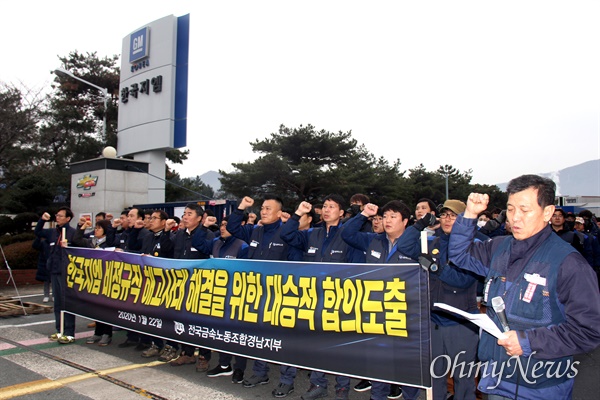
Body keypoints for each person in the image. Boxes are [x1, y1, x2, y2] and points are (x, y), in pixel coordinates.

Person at [448, 174, 600, 399]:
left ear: (547, 212)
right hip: (497, 378)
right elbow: (460, 255)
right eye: (510, 209)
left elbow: (588, 330)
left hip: (542, 385)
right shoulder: (498, 248)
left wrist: (528, 342)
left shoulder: (568, 263)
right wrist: (469, 215)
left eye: (525, 210)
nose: (515, 218)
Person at [395, 200, 484, 400]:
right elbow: (404, 245)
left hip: (461, 323)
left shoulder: (474, 246)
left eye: (453, 216)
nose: (447, 219)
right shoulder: (432, 241)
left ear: (464, 219)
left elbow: (463, 280)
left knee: (464, 379)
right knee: (435, 377)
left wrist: (435, 268)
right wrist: (419, 225)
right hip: (435, 322)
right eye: (444, 215)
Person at [280, 195, 363, 400]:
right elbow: (286, 234)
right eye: (324, 206)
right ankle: (318, 384)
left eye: (332, 207)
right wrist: (298, 213)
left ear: (341, 213)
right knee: (317, 344)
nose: (326, 210)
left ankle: (342, 388)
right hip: (313, 298)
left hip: (340, 300)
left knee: (340, 347)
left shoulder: (348, 236)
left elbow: (357, 270)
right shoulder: (311, 234)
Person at [225, 194, 302, 392]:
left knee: (283, 339)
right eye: (263, 208)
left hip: (280, 295)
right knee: (260, 336)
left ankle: (287, 380)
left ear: (279, 213)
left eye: (269, 209)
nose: (264, 211)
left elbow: (296, 263)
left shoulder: (287, 234)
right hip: (256, 294)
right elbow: (233, 227)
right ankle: (260, 373)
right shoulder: (255, 232)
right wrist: (241, 207)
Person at [341, 200, 415, 400]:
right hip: (375, 311)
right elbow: (346, 234)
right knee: (377, 360)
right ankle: (377, 395)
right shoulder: (373, 240)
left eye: (393, 217)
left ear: (405, 221)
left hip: (404, 314)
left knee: (406, 362)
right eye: (385, 216)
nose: (387, 221)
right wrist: (363, 214)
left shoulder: (416, 245)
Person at [193, 214, 249, 384]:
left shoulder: (242, 246)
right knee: (222, 333)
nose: (223, 228)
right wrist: (204, 226)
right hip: (218, 296)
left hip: (237, 298)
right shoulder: (216, 242)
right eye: (221, 225)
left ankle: (239, 368)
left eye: (226, 225)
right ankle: (224, 365)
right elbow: (197, 243)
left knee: (237, 335)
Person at [164, 203, 214, 368]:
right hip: (181, 284)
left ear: (199, 218)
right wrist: (166, 231)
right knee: (183, 320)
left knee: (201, 322)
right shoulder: (179, 234)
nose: (185, 216)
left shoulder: (208, 235)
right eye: (184, 213)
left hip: (200, 286)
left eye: (189, 214)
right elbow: (167, 251)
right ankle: (187, 353)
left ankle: (204, 356)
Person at [34, 207, 77, 344]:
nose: (57, 217)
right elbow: (38, 232)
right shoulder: (53, 232)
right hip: (54, 270)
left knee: (67, 303)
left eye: (60, 215)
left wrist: (68, 246)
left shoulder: (72, 233)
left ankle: (69, 332)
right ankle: (59, 330)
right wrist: (42, 220)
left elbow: (80, 248)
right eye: (56, 215)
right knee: (58, 303)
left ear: (68, 218)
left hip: (67, 272)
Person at [71, 218, 114, 346]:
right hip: (93, 278)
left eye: (99, 228)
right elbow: (76, 240)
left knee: (106, 308)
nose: (96, 230)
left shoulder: (110, 242)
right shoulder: (91, 242)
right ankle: (98, 332)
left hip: (107, 279)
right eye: (95, 228)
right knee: (96, 307)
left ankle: (107, 333)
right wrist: (82, 227)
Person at [32, 235, 51, 303]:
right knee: (46, 281)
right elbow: (35, 246)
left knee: (55, 281)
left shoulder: (56, 242)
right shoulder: (43, 243)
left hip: (54, 263)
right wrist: (38, 237)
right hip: (45, 264)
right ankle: (46, 295)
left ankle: (55, 295)